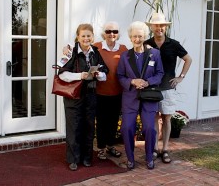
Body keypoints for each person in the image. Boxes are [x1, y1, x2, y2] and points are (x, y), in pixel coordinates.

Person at [58, 24, 109, 171]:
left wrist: (99, 75)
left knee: (88, 126)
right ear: (78, 37)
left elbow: (105, 71)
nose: (86, 38)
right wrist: (80, 76)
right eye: (83, 36)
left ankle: (87, 158)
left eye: (89, 36)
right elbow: (62, 74)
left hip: (91, 95)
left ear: (92, 37)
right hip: (74, 96)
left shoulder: (95, 52)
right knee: (74, 127)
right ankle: (73, 159)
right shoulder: (69, 52)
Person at [144, 12, 192, 163]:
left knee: (167, 118)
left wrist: (180, 77)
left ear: (166, 27)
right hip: (151, 87)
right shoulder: (146, 44)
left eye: (162, 25)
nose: (159, 28)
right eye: (156, 25)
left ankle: (165, 149)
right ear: (151, 27)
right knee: (154, 118)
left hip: (168, 88)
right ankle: (154, 148)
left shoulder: (174, 44)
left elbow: (188, 59)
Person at [117, 21, 164, 170]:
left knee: (150, 128)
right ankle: (130, 159)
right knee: (127, 128)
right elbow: (120, 76)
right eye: (134, 36)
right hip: (130, 98)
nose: (137, 39)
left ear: (145, 36)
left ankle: (150, 157)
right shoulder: (125, 56)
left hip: (149, 97)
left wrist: (147, 82)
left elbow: (160, 74)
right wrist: (132, 81)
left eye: (140, 36)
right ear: (130, 37)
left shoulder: (154, 54)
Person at [93, 22, 128, 160]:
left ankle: (110, 146)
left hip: (117, 92)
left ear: (118, 33)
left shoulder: (123, 49)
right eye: (108, 31)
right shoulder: (96, 47)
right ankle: (101, 148)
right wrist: (67, 48)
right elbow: (80, 50)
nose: (111, 34)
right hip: (100, 92)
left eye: (114, 31)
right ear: (104, 33)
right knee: (101, 121)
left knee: (113, 121)